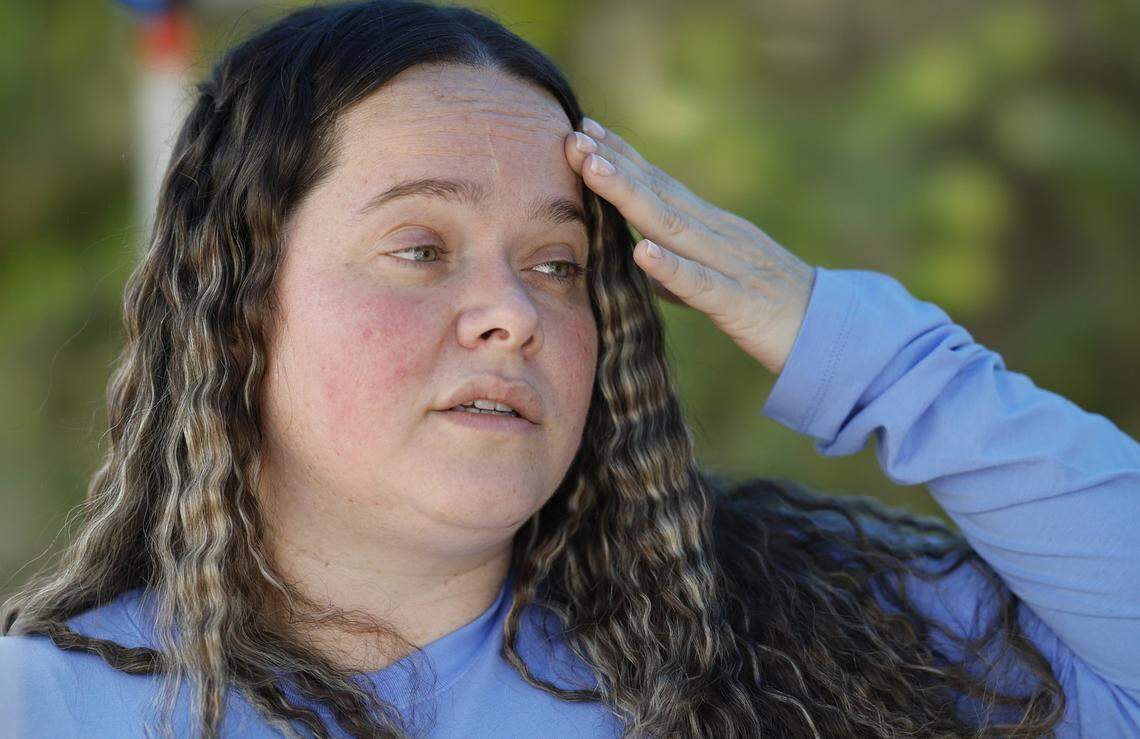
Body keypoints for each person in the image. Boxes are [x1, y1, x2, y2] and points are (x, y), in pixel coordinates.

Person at [2, 1, 1137, 737]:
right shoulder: (54, 706)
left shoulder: (810, 645)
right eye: (420, 248)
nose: (514, 313)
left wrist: (851, 344)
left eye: (557, 263)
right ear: (239, 309)